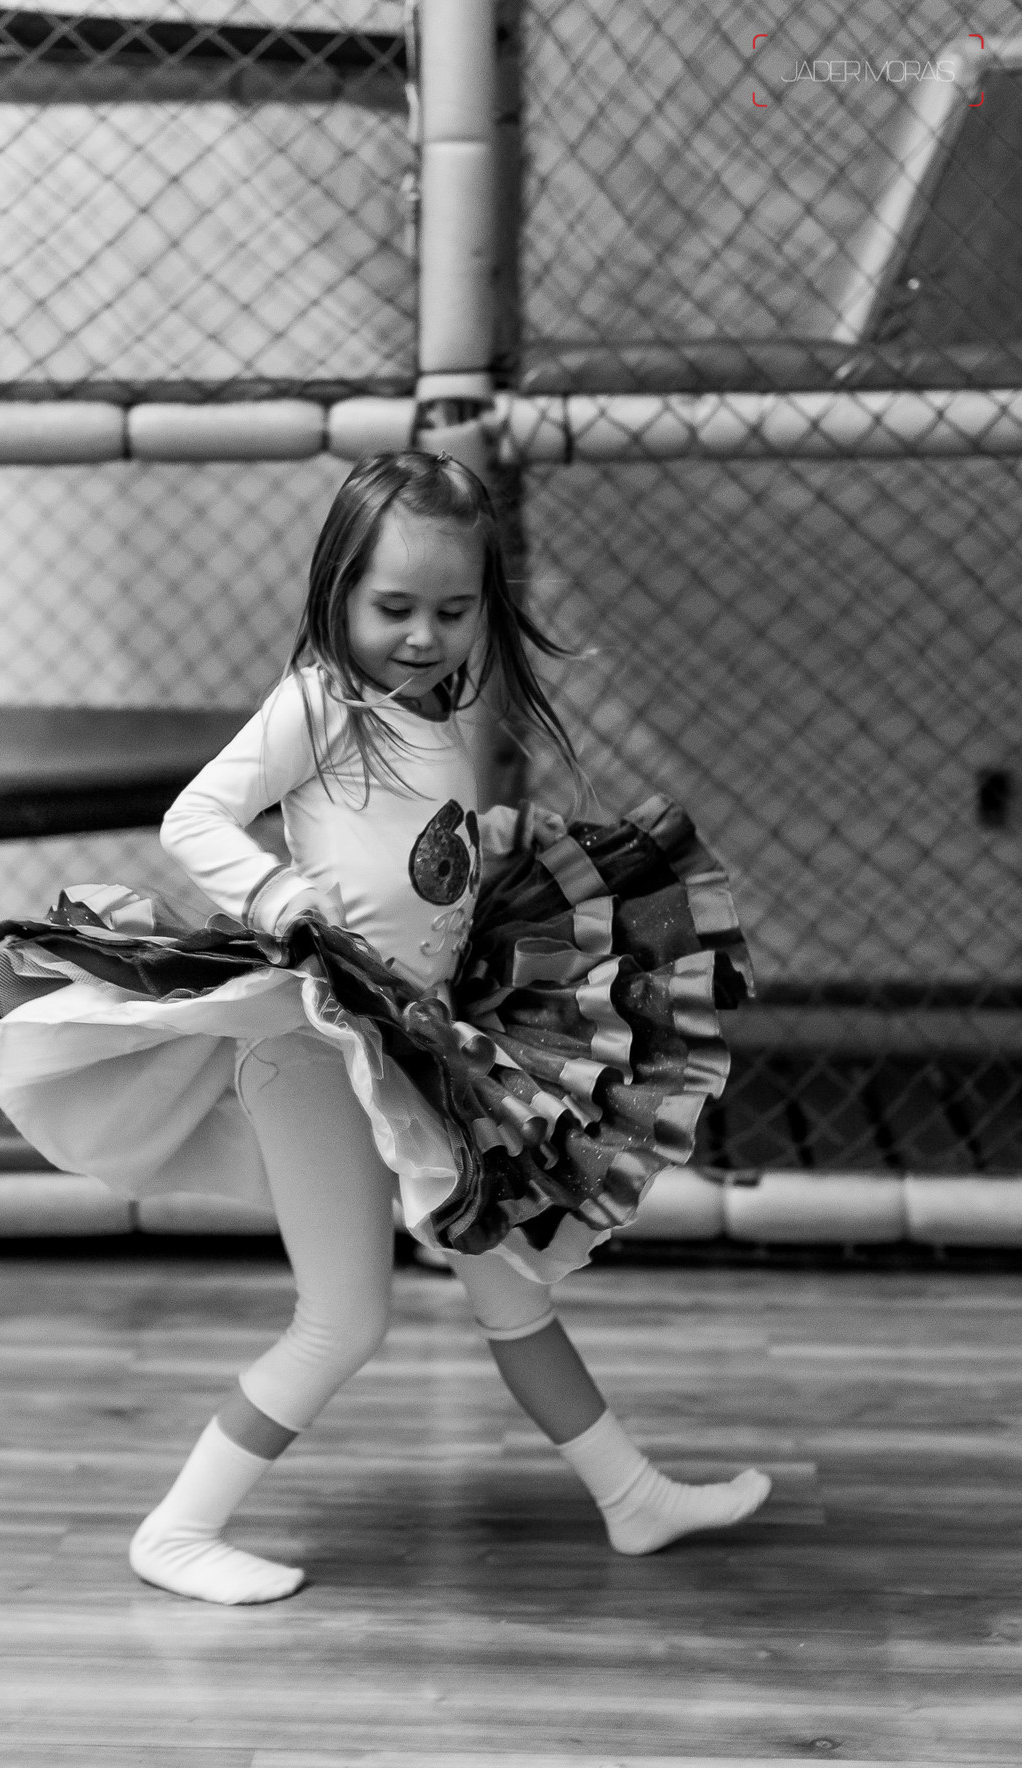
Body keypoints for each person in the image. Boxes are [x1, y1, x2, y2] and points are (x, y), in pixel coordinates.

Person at [124, 451, 770, 1606]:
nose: (423, 636)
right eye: (394, 608)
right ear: (337, 593)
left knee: (508, 1277)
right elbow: (195, 815)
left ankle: (631, 1497)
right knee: (344, 1319)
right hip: (317, 1049)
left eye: (453, 610)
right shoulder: (323, 703)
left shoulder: (440, 707)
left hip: (416, 1041)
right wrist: (278, 895)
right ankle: (176, 1531)